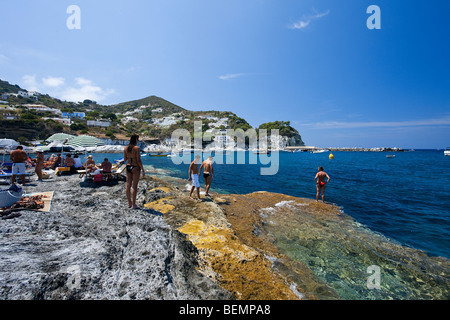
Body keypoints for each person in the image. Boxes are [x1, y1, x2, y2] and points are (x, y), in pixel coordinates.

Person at [124, 134, 145, 209]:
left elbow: (125, 159)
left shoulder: (126, 148)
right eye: (137, 139)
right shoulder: (136, 148)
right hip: (135, 167)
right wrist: (142, 169)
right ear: (135, 139)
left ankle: (129, 203)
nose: (138, 140)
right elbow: (138, 160)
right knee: (134, 186)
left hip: (128, 166)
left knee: (128, 185)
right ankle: (134, 204)